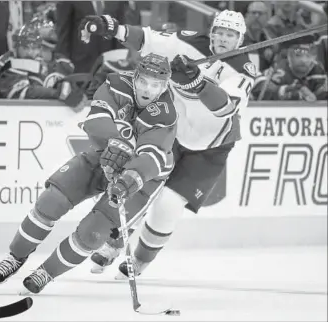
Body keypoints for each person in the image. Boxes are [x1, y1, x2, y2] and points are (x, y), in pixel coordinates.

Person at [79, 10, 257, 277]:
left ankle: (138, 261)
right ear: (212, 31)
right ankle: (112, 242)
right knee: (137, 183)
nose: (222, 39)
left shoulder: (244, 69)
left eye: (230, 35)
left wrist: (199, 84)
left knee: (168, 205)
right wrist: (111, 26)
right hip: (168, 130)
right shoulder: (188, 42)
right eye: (219, 31)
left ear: (239, 39)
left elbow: (226, 109)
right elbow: (148, 39)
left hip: (210, 147)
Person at [0, 53, 177, 294]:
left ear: (165, 86)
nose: (148, 90)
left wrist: (128, 181)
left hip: (142, 178)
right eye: (143, 81)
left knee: (94, 232)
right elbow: (96, 119)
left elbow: (152, 156)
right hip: (104, 155)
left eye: (156, 85)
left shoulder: (166, 114)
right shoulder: (116, 84)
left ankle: (46, 272)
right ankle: (15, 258)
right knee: (51, 201)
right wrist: (116, 142)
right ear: (135, 76)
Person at [0, 18, 84, 110]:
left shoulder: (62, 63)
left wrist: (69, 90)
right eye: (28, 47)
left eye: (37, 47)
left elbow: (73, 93)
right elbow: (20, 93)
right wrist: (56, 93)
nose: (33, 52)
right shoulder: (10, 61)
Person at [252, 36, 328, 101]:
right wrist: (283, 91)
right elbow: (258, 86)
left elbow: (319, 97)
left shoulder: (317, 70)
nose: (304, 60)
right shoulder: (280, 71)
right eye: (298, 54)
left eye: (309, 55)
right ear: (289, 55)